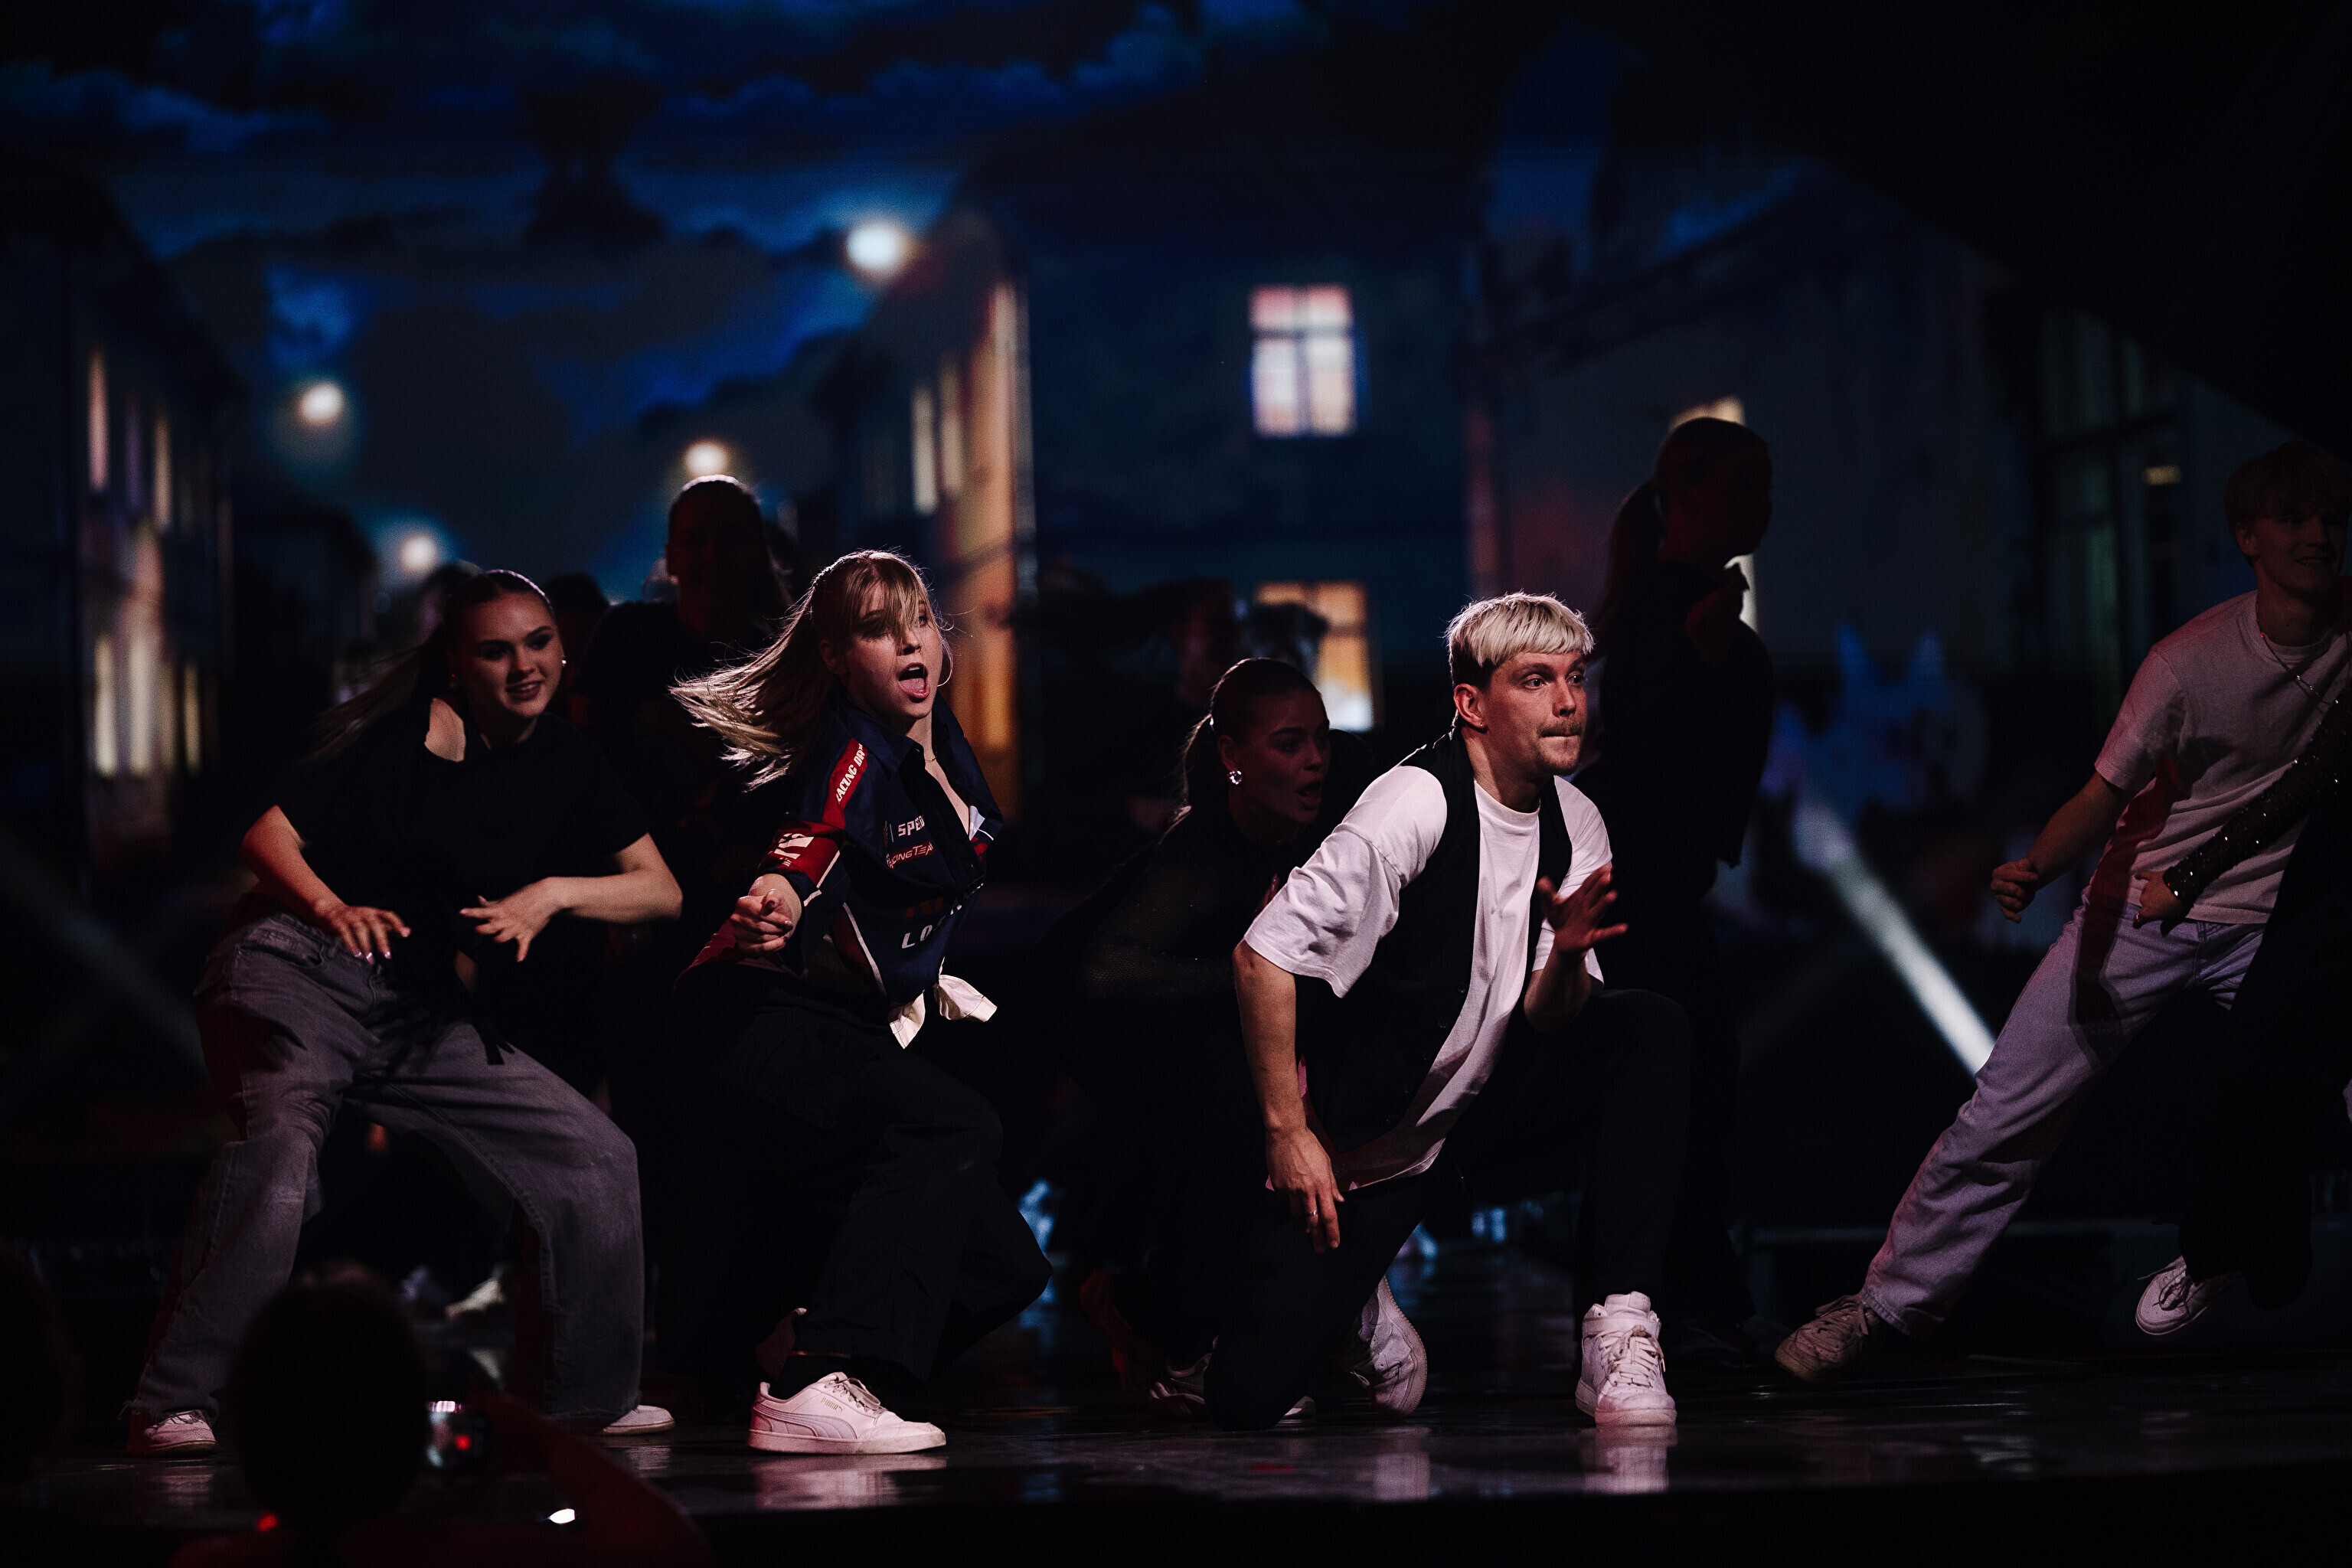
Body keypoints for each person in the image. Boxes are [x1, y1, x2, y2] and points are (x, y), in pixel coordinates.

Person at [1775, 439, 2352, 1381]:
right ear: (2248, 537)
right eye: (2294, 520)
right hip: (2144, 909)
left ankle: (2214, 1253)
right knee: (2008, 1109)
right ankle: (1884, 1308)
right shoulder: (2187, 664)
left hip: (2274, 921)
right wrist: (2035, 867)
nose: (2319, 536)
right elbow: (2100, 792)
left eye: (2332, 519)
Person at [127, 570, 681, 1453]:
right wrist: (331, 907)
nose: (525, 665)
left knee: (595, 1153)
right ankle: (173, 1398)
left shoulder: (570, 761)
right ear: (456, 665)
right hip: (295, 966)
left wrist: (551, 894)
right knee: (283, 1153)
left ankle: (583, 1395)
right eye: (496, 651)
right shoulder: (399, 740)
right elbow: (265, 837)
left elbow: (661, 889)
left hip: (411, 1002)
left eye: (539, 642)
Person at [1207, 593, 1692, 1431]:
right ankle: (1358, 1297)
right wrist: (1289, 1133)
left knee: (1646, 1028)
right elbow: (1263, 956)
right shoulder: (1414, 804)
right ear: (1472, 703)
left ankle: (1619, 1322)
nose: (1568, 702)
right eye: (1535, 681)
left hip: (1484, 1115)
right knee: (1248, 1399)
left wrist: (1566, 957)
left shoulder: (1577, 820)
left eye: (1576, 678)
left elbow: (1551, 1018)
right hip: (1372, 1149)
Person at [664, 550, 1050, 1454]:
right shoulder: (851, 754)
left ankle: (809, 1361)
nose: (911, 643)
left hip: (835, 1027)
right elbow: (812, 837)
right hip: (753, 1014)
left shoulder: (943, 750)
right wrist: (779, 894)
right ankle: (815, 1377)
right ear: (838, 657)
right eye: (879, 630)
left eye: (919, 621)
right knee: (952, 1122)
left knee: (1004, 1265)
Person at [1012, 658, 1396, 1413]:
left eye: (1320, 739)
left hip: (1172, 1011)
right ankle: (1163, 1328)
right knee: (1237, 1111)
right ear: (1233, 758)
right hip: (1082, 1015)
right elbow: (1105, 970)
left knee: (1256, 1109)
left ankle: (1175, 1317)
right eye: (1289, 743)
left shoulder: (1320, 810)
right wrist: (1256, 973)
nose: (1315, 759)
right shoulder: (1203, 854)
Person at [1576, 415, 1775, 1347]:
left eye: (1765, 483)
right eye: (1744, 483)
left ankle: (1672, 1291)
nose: (1764, 502)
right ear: (1689, 495)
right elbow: (1653, 749)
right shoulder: (1672, 607)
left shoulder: (1681, 601)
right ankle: (1673, 1294)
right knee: (1682, 1081)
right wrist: (1705, 662)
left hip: (1653, 883)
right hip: (1642, 889)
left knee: (1686, 1080)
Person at [169, 1275, 710, 1567]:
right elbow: (677, 1552)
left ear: (250, 1437)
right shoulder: (483, 1557)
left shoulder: (207, 1564)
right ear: (416, 1433)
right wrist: (545, 1441)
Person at [2127, 680, 2352, 1332]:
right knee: (2252, 1071)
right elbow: (2314, 776)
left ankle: (2245, 1250)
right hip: (2334, 892)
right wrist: (2188, 878)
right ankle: (2224, 1249)